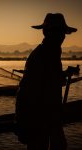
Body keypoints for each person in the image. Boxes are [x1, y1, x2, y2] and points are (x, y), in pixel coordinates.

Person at [15, 13, 77, 150]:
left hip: (50, 115)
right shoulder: (44, 53)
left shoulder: (52, 52)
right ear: (47, 33)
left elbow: (50, 79)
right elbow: (27, 89)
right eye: (59, 32)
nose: (63, 37)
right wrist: (22, 122)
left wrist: (65, 74)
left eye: (62, 33)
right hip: (39, 117)